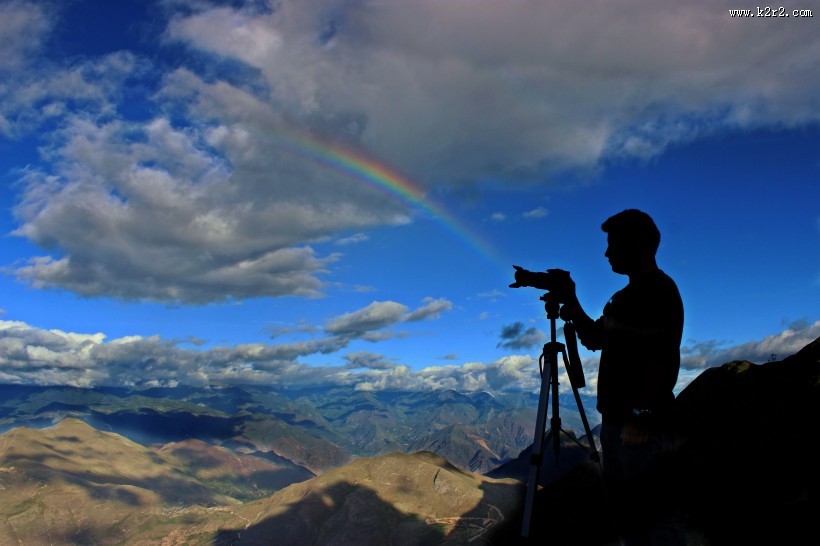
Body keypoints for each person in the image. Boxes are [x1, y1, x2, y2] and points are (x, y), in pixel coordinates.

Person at [558, 209, 686, 546]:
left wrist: (641, 414)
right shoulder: (622, 299)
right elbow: (594, 338)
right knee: (627, 515)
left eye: (613, 244)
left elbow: (662, 356)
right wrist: (571, 299)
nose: (606, 253)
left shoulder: (659, 290)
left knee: (655, 517)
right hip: (617, 423)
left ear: (638, 244)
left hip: (643, 428)